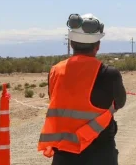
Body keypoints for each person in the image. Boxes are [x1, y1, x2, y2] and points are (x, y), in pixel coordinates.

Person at [38, 13, 127, 165]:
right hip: (101, 153)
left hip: (63, 155)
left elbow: (54, 98)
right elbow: (120, 102)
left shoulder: (55, 71)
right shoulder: (109, 74)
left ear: (71, 43)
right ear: (97, 46)